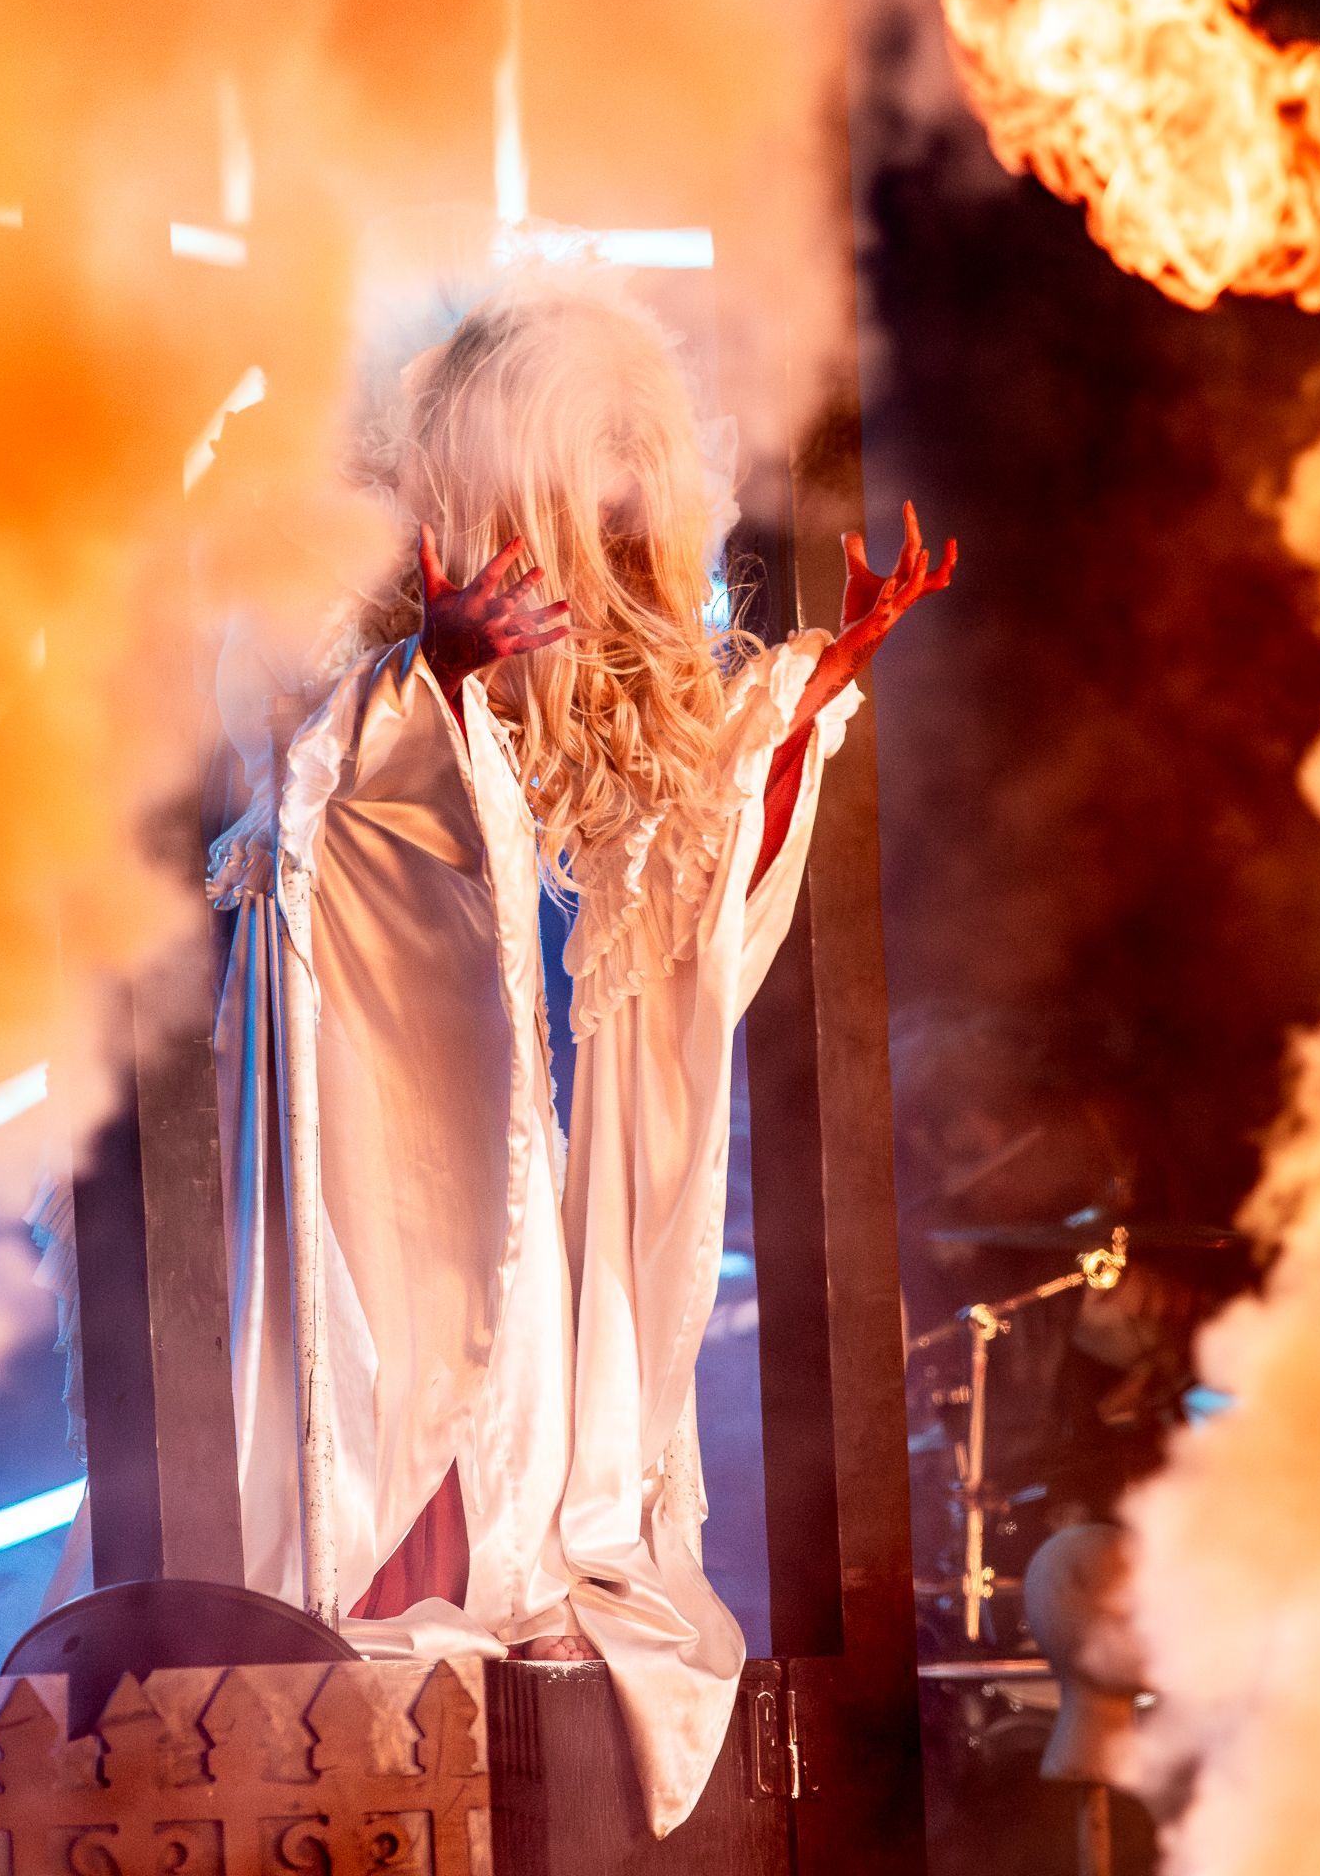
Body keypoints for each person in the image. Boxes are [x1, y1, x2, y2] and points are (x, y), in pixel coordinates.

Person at [206, 273, 955, 1834]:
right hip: (375, 1054)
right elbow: (305, 792)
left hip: (520, 1067)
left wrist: (809, 692)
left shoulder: (583, 610)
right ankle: (392, 1584)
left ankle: (526, 1567)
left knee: (532, 1302)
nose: (610, 517)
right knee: (414, 1307)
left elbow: (678, 801)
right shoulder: (345, 565)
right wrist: (428, 670)